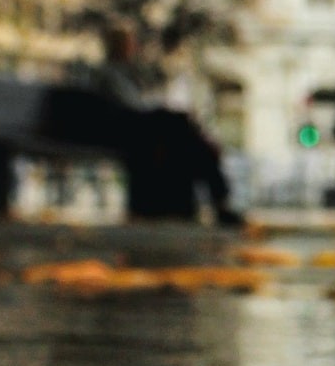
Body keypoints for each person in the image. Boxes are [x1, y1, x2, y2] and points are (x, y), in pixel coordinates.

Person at [90, 24, 242, 226]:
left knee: (188, 138)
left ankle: (213, 199)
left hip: (134, 130)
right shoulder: (110, 74)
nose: (132, 48)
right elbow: (134, 107)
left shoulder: (125, 73)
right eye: (127, 44)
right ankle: (219, 200)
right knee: (181, 127)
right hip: (126, 131)